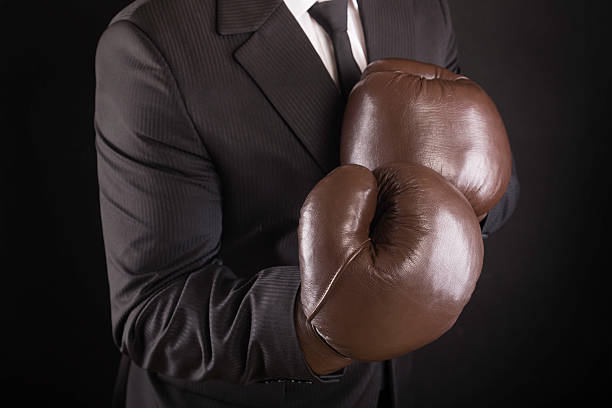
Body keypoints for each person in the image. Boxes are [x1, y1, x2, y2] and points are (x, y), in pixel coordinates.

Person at [94, 0, 520, 407]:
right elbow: (154, 308)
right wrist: (314, 329)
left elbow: (490, 176)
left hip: (392, 389)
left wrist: (466, 203)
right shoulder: (153, 42)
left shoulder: (421, 8)